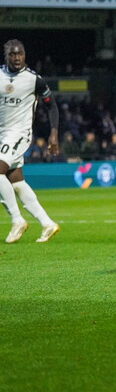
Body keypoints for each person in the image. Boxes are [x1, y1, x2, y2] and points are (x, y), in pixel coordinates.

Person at [0, 40, 61, 243]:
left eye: (20, 54)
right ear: (6, 55)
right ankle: (47, 223)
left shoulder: (33, 80)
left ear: (25, 55)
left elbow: (51, 106)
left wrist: (53, 134)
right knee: (16, 181)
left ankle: (17, 220)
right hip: (2, 135)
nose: (17, 58)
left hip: (19, 133)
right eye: (12, 54)